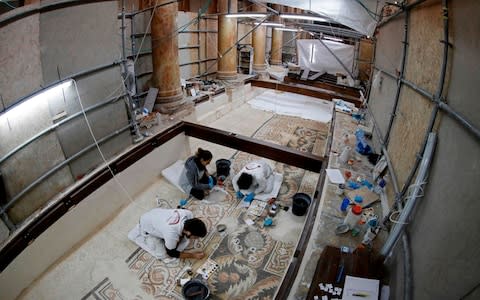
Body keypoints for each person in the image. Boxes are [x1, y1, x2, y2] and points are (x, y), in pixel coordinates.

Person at [139, 208, 207, 259]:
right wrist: (193, 255)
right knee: (162, 255)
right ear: (188, 233)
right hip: (145, 224)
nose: (196, 239)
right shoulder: (171, 234)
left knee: (180, 240)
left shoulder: (188, 214)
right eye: (196, 237)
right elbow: (171, 253)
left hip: (155, 213)